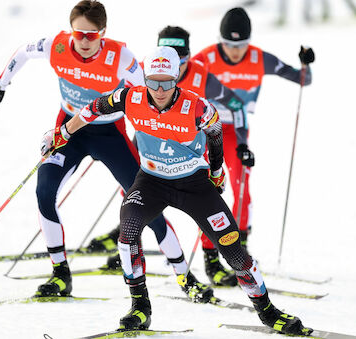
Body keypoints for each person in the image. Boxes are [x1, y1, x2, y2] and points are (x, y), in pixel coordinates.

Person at [42, 46, 313, 335]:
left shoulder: (196, 106)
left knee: (233, 250)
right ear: (145, 79)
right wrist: (64, 133)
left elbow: (216, 133)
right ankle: (139, 308)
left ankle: (268, 311)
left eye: (167, 82)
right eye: (154, 82)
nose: (160, 90)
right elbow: (93, 108)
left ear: (176, 80)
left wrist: (217, 171)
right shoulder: (129, 97)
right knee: (128, 233)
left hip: (193, 184)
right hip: (151, 182)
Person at [0, 0, 211, 301]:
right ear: (71, 30)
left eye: (93, 35)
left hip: (109, 134)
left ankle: (185, 276)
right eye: (79, 34)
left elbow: (145, 98)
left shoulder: (121, 57)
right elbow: (24, 52)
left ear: (103, 32)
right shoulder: (57, 46)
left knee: (148, 206)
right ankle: (60, 274)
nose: (85, 41)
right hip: (69, 130)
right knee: (44, 191)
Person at [88, 25, 249, 287]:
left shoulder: (200, 77)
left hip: (188, 151)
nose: (177, 63)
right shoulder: (146, 69)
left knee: (208, 205)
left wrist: (241, 142)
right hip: (151, 142)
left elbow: (235, 105)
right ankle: (129, 245)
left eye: (182, 56)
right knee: (131, 192)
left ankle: (212, 261)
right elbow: (120, 95)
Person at [192, 7, 315, 260]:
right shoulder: (206, 58)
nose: (235, 51)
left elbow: (302, 79)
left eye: (242, 45)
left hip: (238, 133)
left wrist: (305, 63)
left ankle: (240, 244)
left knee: (240, 187)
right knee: (207, 188)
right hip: (206, 129)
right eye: (228, 44)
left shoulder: (260, 59)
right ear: (220, 40)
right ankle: (209, 251)